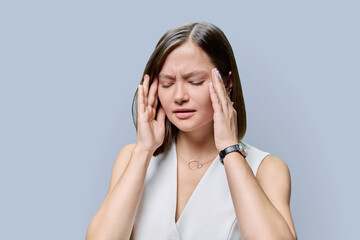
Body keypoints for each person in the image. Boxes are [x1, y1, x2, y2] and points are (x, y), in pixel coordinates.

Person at [86, 22, 297, 240]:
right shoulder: (132, 157)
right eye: (167, 84)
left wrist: (229, 148)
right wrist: (144, 150)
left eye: (194, 82)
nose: (179, 96)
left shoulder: (267, 169)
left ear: (228, 83)